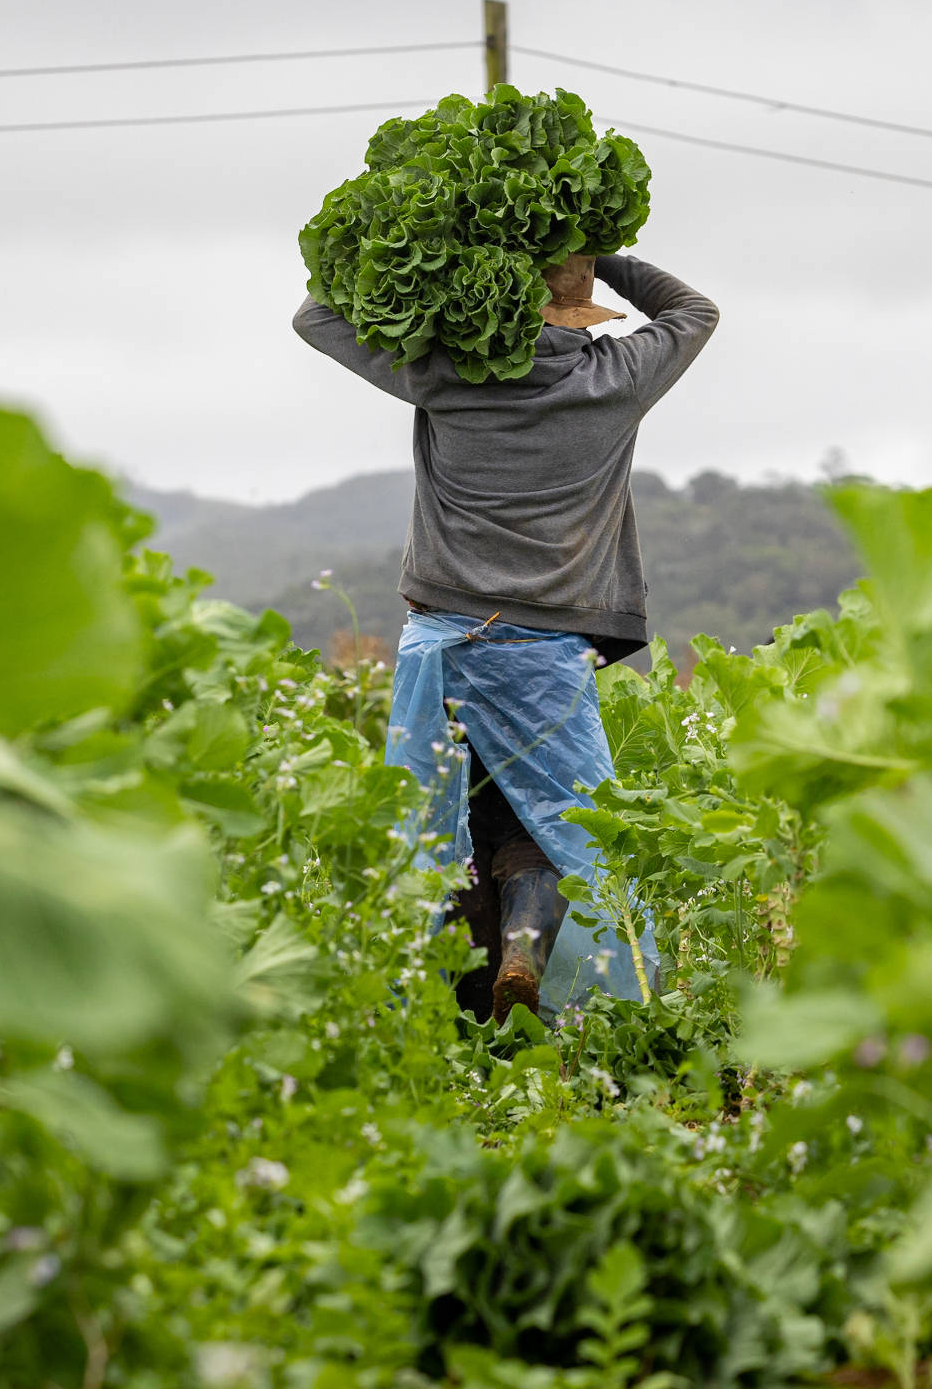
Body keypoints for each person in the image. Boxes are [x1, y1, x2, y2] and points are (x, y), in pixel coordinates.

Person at [294, 252, 719, 1022]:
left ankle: (420, 1004)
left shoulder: (447, 373)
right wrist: (603, 253)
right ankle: (543, 958)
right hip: (545, 654)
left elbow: (314, 317)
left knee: (433, 823)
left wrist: (431, 278)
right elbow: (695, 312)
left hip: (439, 644)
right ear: (580, 312)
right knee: (566, 825)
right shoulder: (613, 379)